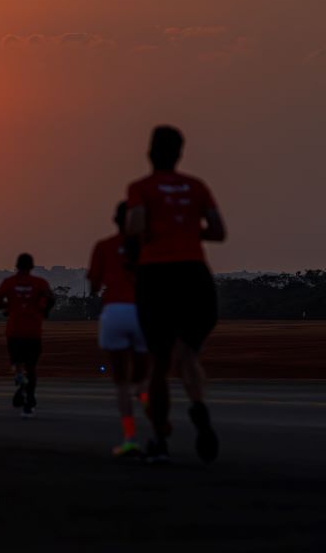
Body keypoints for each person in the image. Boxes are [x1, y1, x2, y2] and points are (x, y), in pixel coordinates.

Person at [125, 125, 226, 464]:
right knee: (188, 356)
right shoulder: (196, 187)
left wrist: (156, 231)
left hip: (158, 275)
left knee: (159, 362)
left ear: (151, 152)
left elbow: (136, 226)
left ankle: (159, 438)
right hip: (194, 274)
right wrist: (186, 230)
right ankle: (198, 407)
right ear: (179, 153)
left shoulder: (141, 188)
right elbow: (218, 230)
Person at [88, 202, 149, 456]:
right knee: (143, 381)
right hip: (143, 312)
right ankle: (157, 429)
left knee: (121, 383)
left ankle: (130, 437)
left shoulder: (104, 246)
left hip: (115, 312)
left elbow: (93, 286)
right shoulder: (149, 246)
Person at [0, 253, 56, 418]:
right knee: (32, 367)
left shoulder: (9, 283)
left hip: (14, 331)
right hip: (33, 331)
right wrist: (45, 311)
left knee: (17, 364)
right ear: (31, 267)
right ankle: (29, 400)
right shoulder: (40, 283)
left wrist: (9, 307)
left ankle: (20, 381)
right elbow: (51, 298)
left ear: (17, 266)